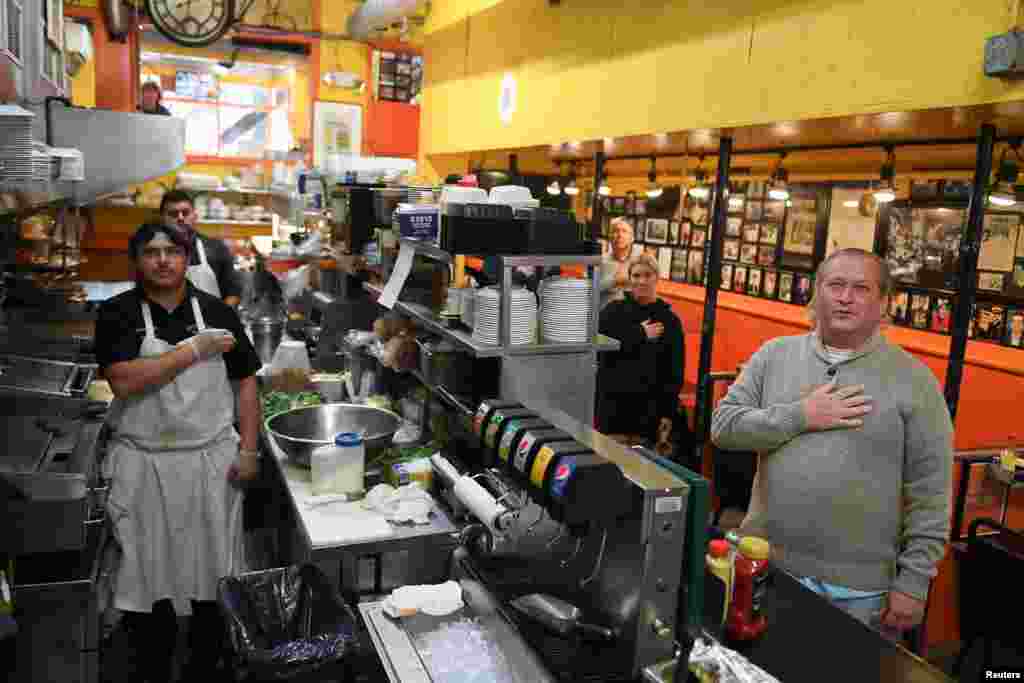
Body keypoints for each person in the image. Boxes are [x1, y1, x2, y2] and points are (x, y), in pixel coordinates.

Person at [711, 248, 953, 639]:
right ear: (816, 292)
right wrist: (800, 416)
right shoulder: (775, 355)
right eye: (835, 285)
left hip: (860, 591)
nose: (845, 297)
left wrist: (914, 582)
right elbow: (724, 426)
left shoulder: (915, 379)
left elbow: (931, 490)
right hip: (766, 566)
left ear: (883, 303)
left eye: (861, 288)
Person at [94, 223, 262, 681]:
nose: (163, 260)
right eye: (152, 252)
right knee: (146, 579)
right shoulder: (117, 313)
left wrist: (249, 450)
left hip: (210, 462)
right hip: (144, 468)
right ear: (138, 260)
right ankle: (148, 666)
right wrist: (192, 350)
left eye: (172, 251)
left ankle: (207, 667)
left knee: (213, 578)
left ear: (187, 258)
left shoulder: (217, 312)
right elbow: (124, 381)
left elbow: (246, 382)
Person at [598, 253, 685, 445]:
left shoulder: (669, 320)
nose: (641, 281)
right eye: (636, 276)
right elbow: (600, 342)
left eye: (647, 275)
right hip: (613, 411)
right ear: (629, 279)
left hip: (648, 415)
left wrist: (667, 413)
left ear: (657, 278)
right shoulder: (613, 311)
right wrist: (639, 333)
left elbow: (674, 371)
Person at [160, 189, 243, 307]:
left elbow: (233, 291)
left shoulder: (215, 248)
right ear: (162, 218)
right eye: (173, 214)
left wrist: (223, 317)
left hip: (212, 322)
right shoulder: (153, 253)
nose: (180, 218)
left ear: (194, 215)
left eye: (185, 213)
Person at [600, 217, 635, 309]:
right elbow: (588, 290)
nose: (620, 235)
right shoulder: (599, 261)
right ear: (610, 237)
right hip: (603, 319)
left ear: (632, 238)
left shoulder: (639, 263)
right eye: (616, 231)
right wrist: (614, 281)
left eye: (624, 231)